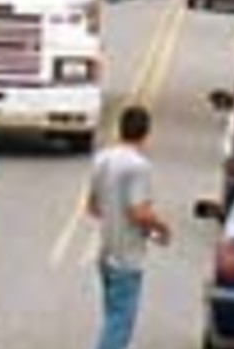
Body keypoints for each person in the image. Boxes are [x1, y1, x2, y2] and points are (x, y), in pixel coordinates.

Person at [87, 106, 171, 349]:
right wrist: (162, 228)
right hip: (128, 256)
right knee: (120, 322)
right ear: (146, 133)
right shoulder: (138, 167)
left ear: (120, 128)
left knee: (112, 316)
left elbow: (92, 206)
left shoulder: (102, 159)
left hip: (106, 251)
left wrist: (113, 212)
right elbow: (139, 212)